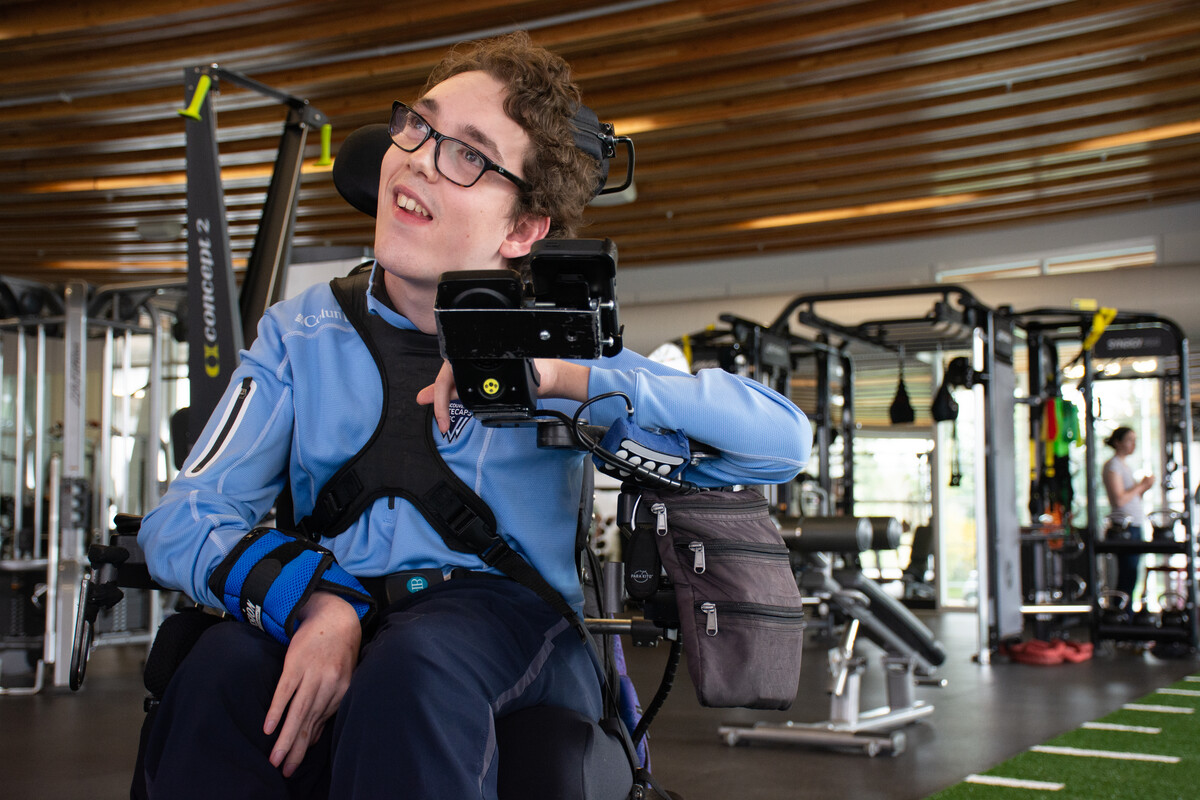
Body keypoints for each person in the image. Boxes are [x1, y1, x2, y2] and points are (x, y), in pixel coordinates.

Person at [136, 31, 811, 799]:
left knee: (414, 669)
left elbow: (784, 441)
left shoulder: (556, 345)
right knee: (219, 670)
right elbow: (182, 517)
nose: (419, 157)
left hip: (505, 619)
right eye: (418, 128)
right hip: (340, 594)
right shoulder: (301, 333)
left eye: (467, 154)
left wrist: (561, 376)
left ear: (521, 229)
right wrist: (319, 602)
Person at [1102, 426, 1154, 602]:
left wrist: (1143, 488)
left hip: (1135, 526)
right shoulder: (1113, 465)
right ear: (1118, 442)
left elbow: (1130, 497)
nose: (1134, 444)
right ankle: (1121, 619)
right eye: (1130, 439)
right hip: (1124, 528)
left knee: (1131, 576)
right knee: (1127, 576)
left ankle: (1126, 616)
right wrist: (1141, 486)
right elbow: (1119, 500)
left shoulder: (1125, 466)